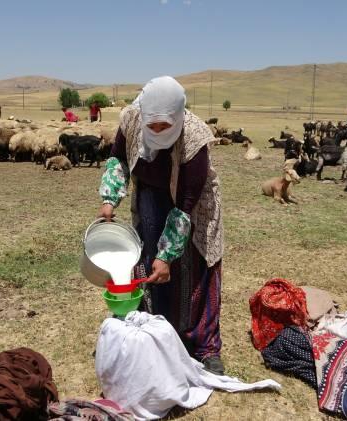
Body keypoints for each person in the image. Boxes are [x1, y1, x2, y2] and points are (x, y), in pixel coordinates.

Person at [97, 76, 225, 375]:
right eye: (151, 126)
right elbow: (117, 159)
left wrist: (167, 255)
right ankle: (157, 330)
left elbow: (185, 205)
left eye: (164, 126)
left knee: (195, 264)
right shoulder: (131, 118)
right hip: (151, 192)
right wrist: (109, 199)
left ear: (178, 117)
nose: (156, 131)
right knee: (148, 258)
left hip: (192, 204)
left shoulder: (195, 137)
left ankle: (204, 346)